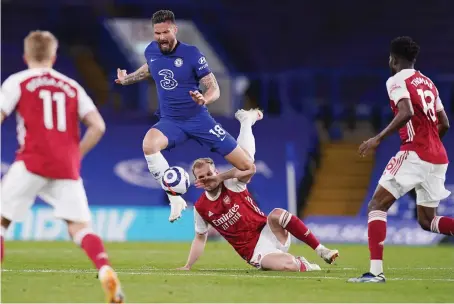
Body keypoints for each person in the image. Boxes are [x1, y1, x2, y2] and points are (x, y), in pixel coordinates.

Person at [0, 31, 125, 302]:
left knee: (0, 222)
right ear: (54, 56)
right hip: (66, 167)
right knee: (80, 228)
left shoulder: (18, 81)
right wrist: (75, 155)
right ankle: (104, 268)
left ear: (26, 55)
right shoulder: (71, 85)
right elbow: (98, 126)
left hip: (31, 161)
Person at [115, 10, 254, 223]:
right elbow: (150, 67)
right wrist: (128, 79)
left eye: (165, 32)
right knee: (149, 145)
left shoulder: (192, 54)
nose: (161, 37)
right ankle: (175, 198)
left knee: (247, 168)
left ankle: (246, 123)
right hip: (171, 121)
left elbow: (214, 87)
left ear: (175, 29)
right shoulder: (152, 50)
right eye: (157, 33)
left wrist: (204, 99)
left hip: (199, 120)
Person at [177, 109, 339, 271]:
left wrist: (220, 178)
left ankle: (321, 250)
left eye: (209, 174)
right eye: (201, 177)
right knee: (289, 265)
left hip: (269, 231)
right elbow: (200, 238)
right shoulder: (201, 207)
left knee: (276, 213)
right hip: (255, 252)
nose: (207, 178)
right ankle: (303, 264)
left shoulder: (232, 184)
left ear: (216, 172)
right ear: (196, 181)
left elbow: (250, 168)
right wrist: (188, 266)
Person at [348, 36, 453, 283]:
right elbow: (445, 123)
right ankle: (375, 273)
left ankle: (375, 273)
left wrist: (378, 138)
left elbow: (406, 112)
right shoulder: (429, 83)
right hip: (438, 157)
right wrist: (431, 144)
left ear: (393, 59)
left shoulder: (396, 80)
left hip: (415, 152)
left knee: (376, 206)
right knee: (429, 221)